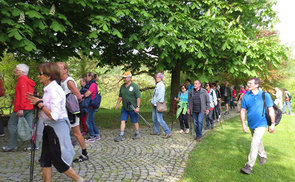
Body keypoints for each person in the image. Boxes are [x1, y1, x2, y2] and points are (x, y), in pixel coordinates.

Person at [26, 62, 89, 182]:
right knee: (45, 160)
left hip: (55, 129)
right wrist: (39, 100)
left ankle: (81, 180)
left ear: (48, 76)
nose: (38, 76)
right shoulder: (49, 89)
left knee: (59, 161)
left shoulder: (54, 90)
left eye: (41, 74)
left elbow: (54, 115)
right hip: (48, 128)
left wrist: (39, 104)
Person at [240, 77, 275, 175]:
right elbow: (243, 110)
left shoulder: (265, 95)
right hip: (251, 123)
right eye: (247, 83)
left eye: (250, 83)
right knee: (257, 141)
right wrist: (243, 124)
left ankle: (249, 166)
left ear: (256, 85)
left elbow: (271, 110)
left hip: (262, 123)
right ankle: (263, 155)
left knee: (254, 142)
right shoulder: (246, 96)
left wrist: (272, 124)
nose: (248, 85)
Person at [57, 62, 89, 163]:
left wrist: (69, 100)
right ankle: (64, 153)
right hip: (64, 112)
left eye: (59, 68)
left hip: (71, 112)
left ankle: (84, 153)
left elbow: (79, 96)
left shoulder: (69, 82)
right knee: (63, 132)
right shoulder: (60, 81)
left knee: (76, 133)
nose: (57, 70)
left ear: (65, 70)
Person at [2, 64, 35, 152]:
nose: (14, 71)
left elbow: (23, 95)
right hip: (29, 107)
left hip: (21, 108)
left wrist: (21, 108)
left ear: (23, 72)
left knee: (12, 124)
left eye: (17, 70)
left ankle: (12, 145)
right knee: (29, 126)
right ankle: (34, 145)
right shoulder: (28, 81)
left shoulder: (22, 80)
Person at [114, 71, 141, 142]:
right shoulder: (122, 87)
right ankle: (121, 135)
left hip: (133, 107)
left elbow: (138, 97)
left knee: (135, 121)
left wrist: (138, 107)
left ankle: (137, 133)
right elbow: (120, 97)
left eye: (126, 78)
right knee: (122, 121)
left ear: (130, 78)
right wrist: (117, 105)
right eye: (123, 78)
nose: (124, 79)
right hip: (125, 108)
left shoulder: (134, 86)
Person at [151, 73, 171, 138]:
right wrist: (152, 102)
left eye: (158, 77)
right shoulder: (157, 85)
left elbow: (160, 96)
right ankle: (157, 131)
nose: (157, 78)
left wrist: (156, 103)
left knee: (160, 119)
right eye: (156, 77)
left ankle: (167, 132)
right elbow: (154, 95)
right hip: (155, 104)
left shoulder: (161, 85)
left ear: (161, 78)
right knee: (154, 118)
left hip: (158, 104)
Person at [83, 72, 101, 142]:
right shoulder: (92, 84)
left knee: (88, 121)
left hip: (91, 105)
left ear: (90, 77)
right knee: (92, 120)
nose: (86, 77)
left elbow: (87, 94)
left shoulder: (92, 84)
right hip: (91, 105)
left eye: (87, 76)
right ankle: (97, 135)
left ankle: (91, 137)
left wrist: (82, 95)